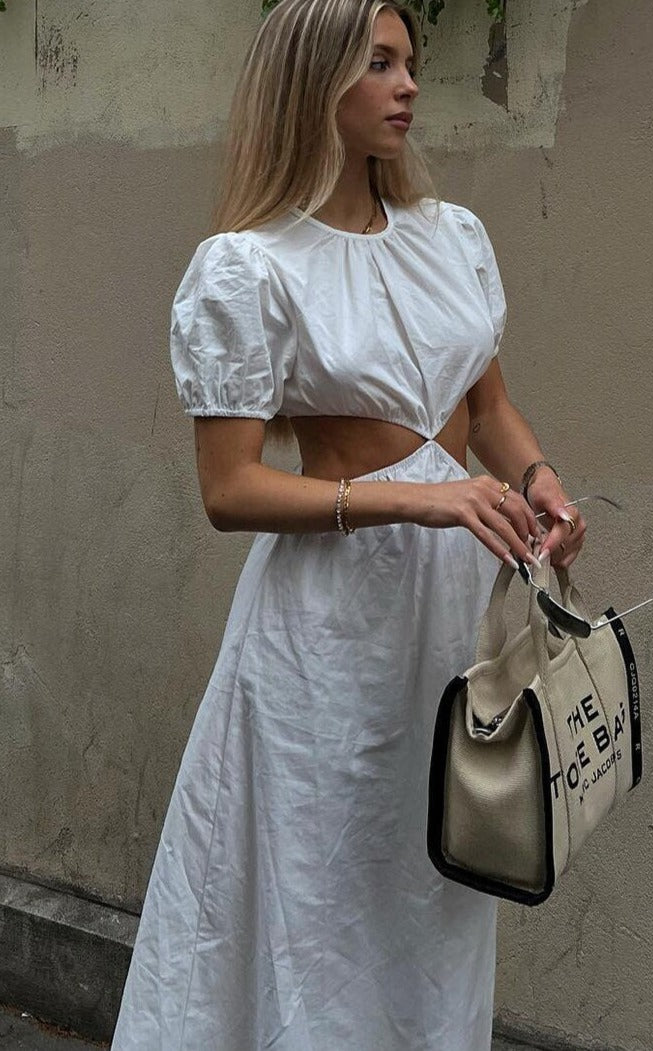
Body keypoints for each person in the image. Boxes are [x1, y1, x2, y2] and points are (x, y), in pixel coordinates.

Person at [111, 0, 586, 1048]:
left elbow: (489, 407)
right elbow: (229, 490)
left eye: (409, 60)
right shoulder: (248, 267)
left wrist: (538, 478)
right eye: (379, 62)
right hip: (325, 639)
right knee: (317, 897)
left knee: (436, 882)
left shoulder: (451, 236)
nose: (408, 83)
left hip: (453, 622)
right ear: (313, 82)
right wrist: (422, 497)